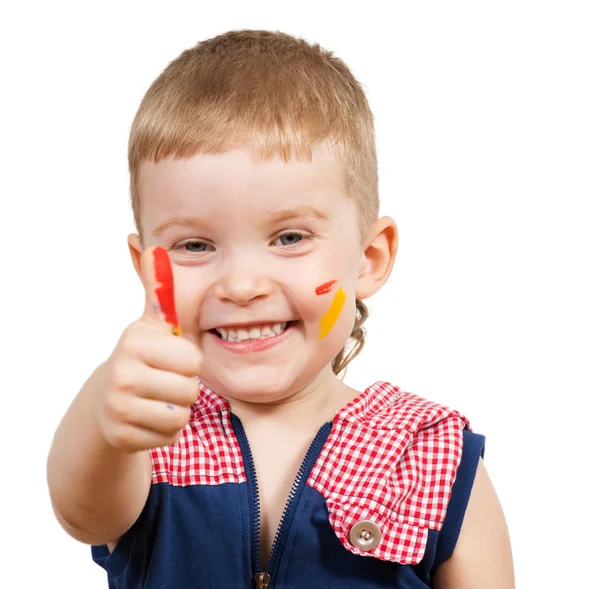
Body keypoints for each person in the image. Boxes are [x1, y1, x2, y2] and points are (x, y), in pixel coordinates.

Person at [47, 29, 514, 588]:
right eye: (195, 246)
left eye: (290, 238)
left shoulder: (430, 452)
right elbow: (82, 512)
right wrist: (106, 408)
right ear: (147, 267)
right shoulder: (150, 442)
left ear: (367, 258)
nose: (241, 285)